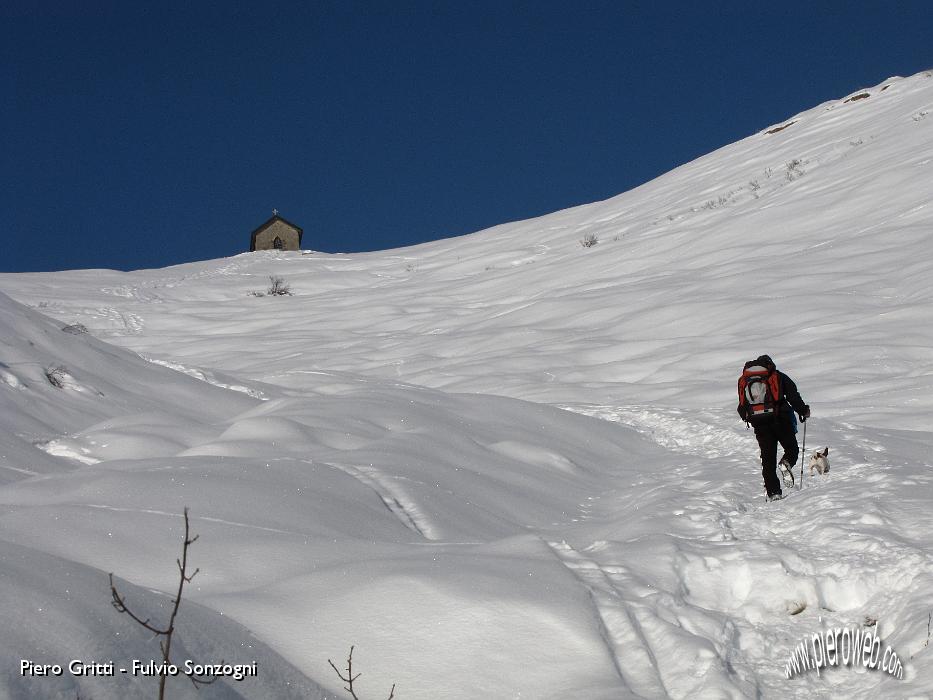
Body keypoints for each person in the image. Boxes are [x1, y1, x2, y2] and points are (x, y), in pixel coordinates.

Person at [737, 355, 810, 501]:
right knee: (791, 449)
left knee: (767, 459)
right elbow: (793, 396)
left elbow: (742, 405)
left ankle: (774, 493)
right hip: (780, 418)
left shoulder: (745, 380)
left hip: (759, 423)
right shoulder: (778, 376)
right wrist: (803, 410)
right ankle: (786, 462)